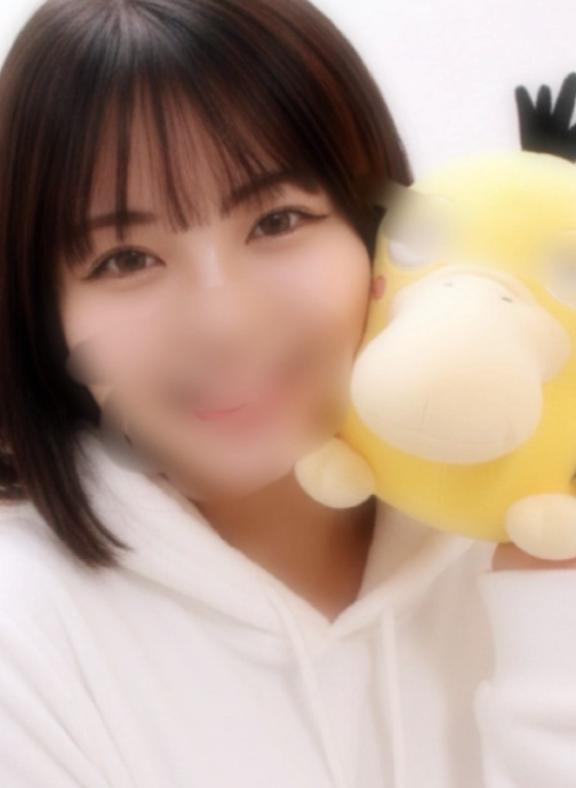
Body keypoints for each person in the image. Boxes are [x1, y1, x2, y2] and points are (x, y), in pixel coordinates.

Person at [0, 0, 575, 786]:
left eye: (277, 220)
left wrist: (550, 602)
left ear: (378, 227)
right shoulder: (25, 639)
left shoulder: (529, 530)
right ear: (43, 313)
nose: (224, 323)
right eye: (125, 260)